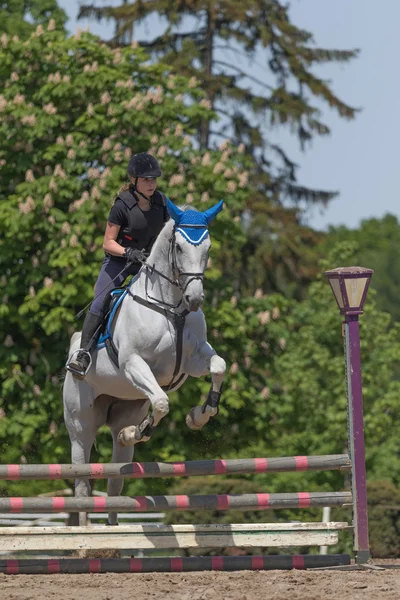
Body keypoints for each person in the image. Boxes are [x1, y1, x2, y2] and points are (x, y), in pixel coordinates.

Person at [66, 152, 169, 380]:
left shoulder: (161, 202)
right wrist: (128, 252)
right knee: (100, 299)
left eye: (154, 179)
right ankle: (82, 354)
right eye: (146, 180)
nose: (152, 184)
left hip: (146, 263)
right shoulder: (122, 206)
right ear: (134, 180)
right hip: (119, 262)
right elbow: (107, 243)